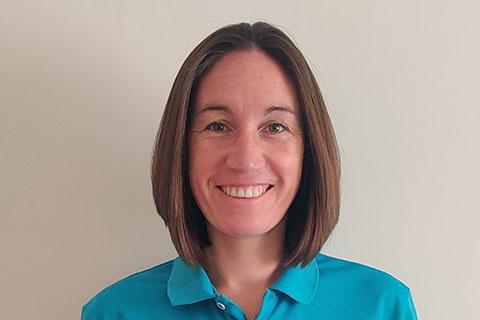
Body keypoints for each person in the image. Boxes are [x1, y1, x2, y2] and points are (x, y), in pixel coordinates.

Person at [81, 21, 418, 320]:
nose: (245, 159)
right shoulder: (114, 313)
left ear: (309, 151)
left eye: (274, 127)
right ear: (181, 149)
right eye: (217, 126)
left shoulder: (381, 306)